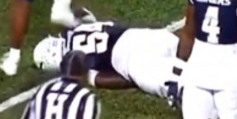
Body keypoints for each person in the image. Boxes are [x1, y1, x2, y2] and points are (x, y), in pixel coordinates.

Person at [32, 21, 178, 97]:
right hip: (138, 35)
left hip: (130, 60)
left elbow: (104, 80)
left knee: (181, 87)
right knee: (189, 53)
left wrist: (135, 81)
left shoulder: (77, 65)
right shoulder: (78, 30)